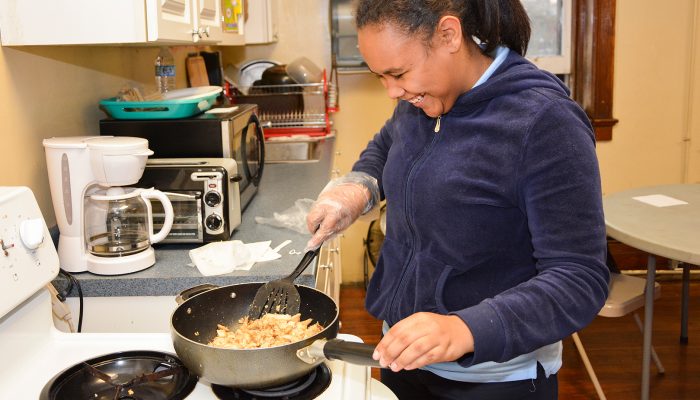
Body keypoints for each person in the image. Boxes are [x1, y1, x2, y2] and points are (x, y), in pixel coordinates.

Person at [305, 0, 610, 398]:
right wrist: (357, 187)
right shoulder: (420, 100)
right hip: (403, 353)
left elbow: (579, 278)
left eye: (398, 73)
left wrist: (465, 328)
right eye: (380, 76)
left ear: (449, 35)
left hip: (494, 378)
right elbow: (386, 145)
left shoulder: (545, 123)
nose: (392, 91)